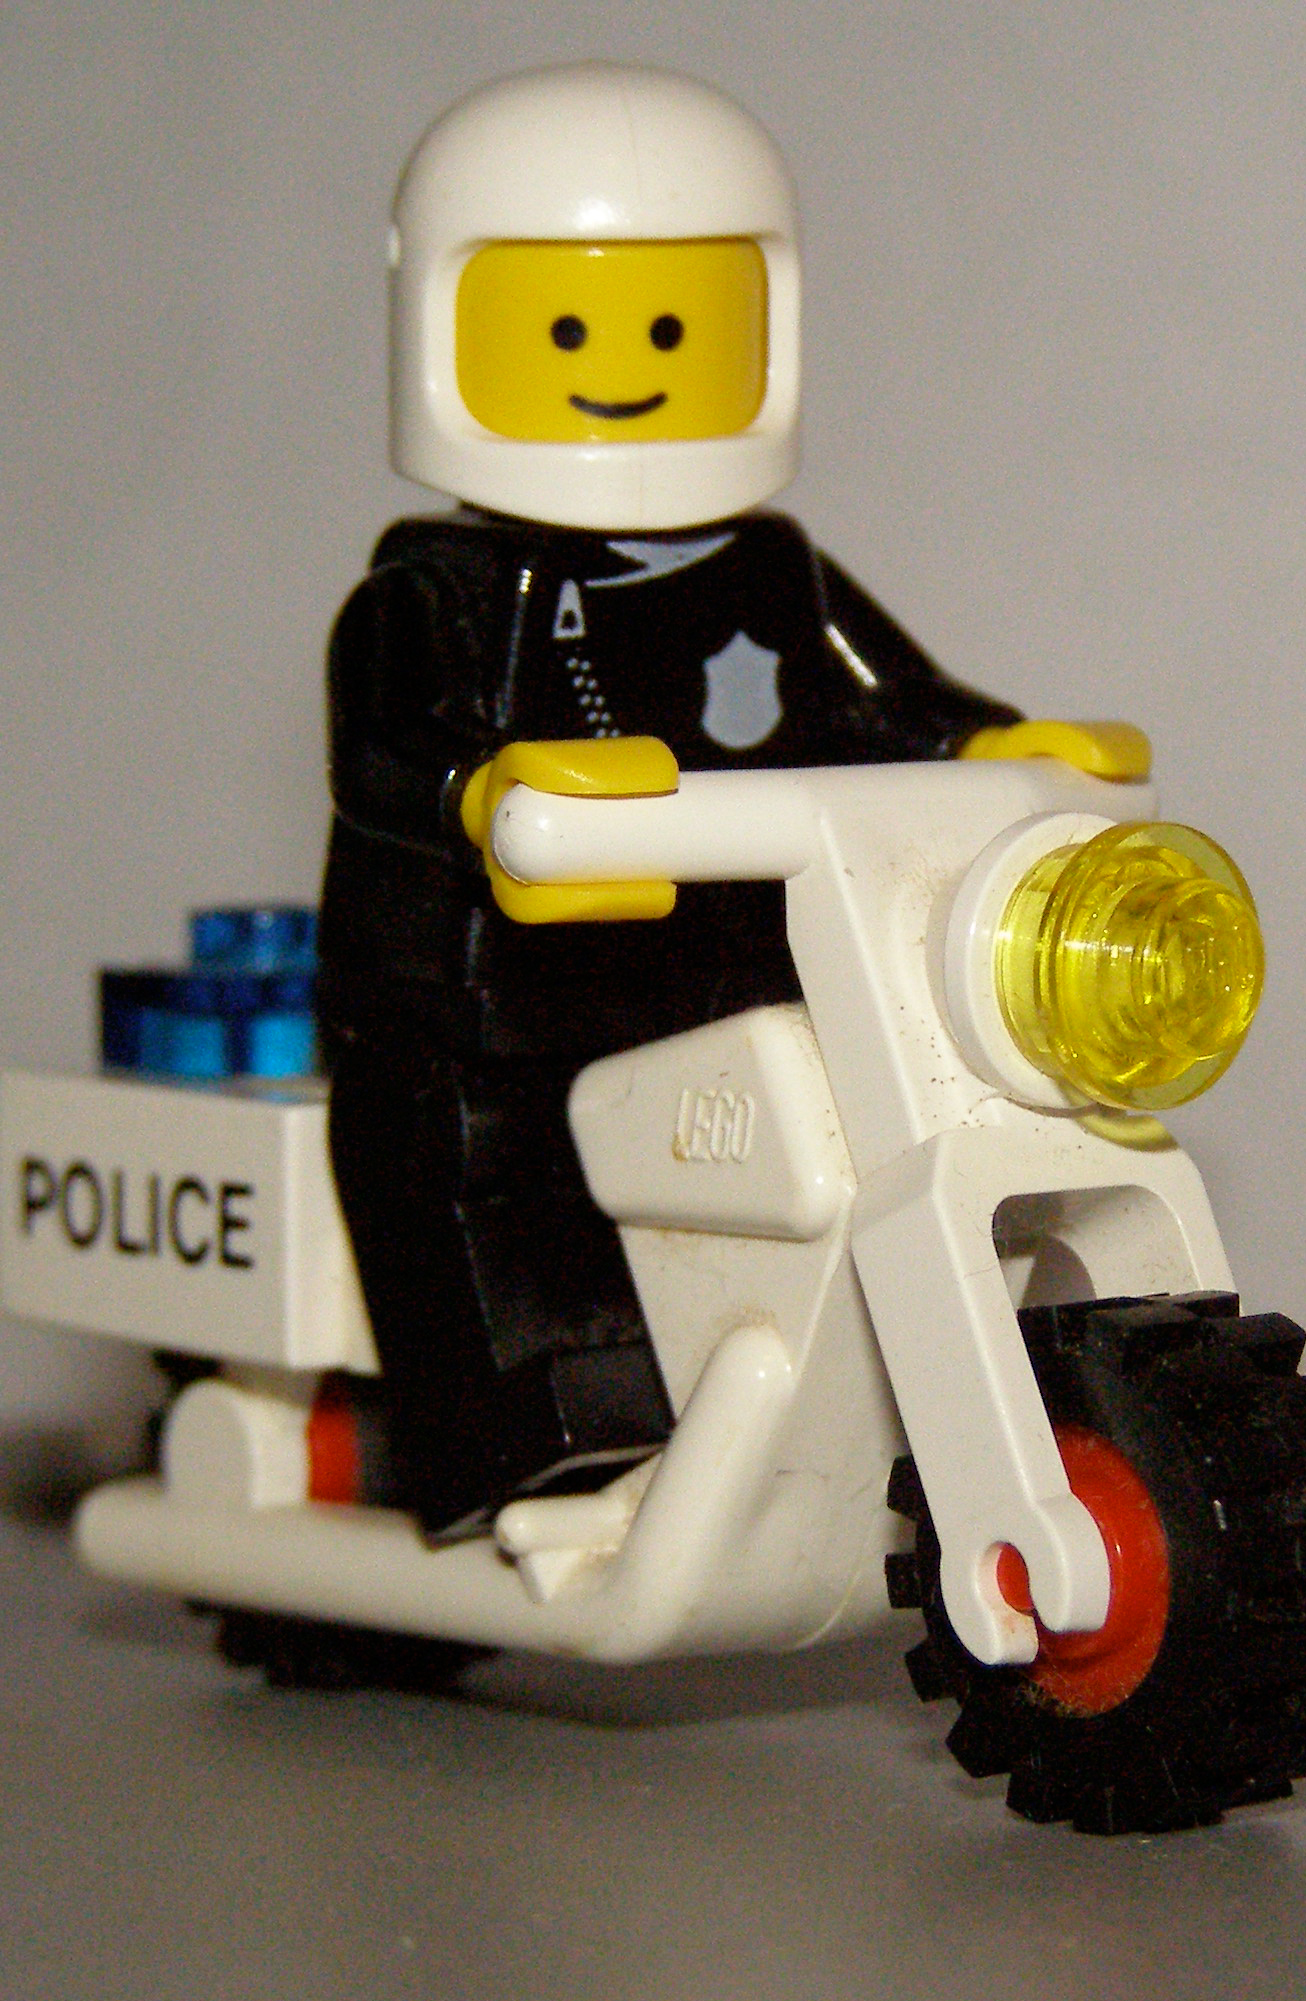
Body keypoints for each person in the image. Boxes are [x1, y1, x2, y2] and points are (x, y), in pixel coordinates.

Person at [319, 64, 1129, 1539]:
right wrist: (483, 788)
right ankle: (511, 1444)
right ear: (447, 324)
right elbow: (383, 753)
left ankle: (815, 1414)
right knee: (482, 1184)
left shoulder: (770, 573)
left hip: (739, 977)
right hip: (484, 998)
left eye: (675, 325)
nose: (627, 363)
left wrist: (996, 744)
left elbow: (888, 697)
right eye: (569, 328)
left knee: (814, 1170)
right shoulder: (439, 593)